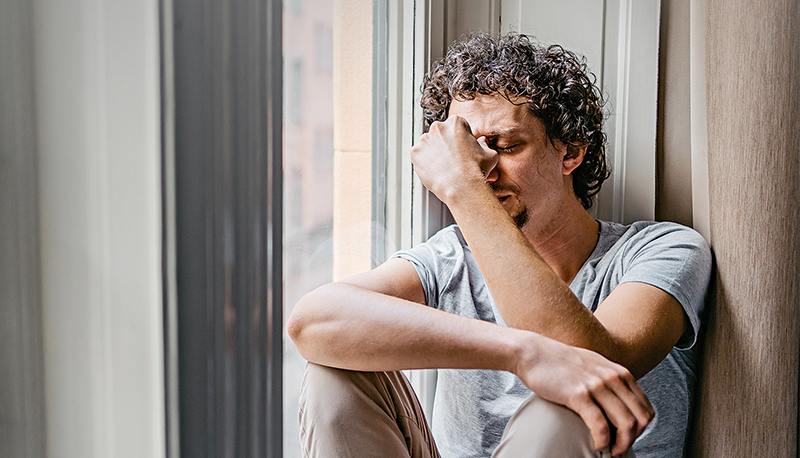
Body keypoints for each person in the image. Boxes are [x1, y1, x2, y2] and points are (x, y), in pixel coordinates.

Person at [288, 33, 712, 458]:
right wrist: (522, 353)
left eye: (506, 146)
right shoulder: (452, 258)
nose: (483, 167)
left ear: (572, 152)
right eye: (467, 152)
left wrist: (462, 188)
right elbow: (310, 322)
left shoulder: (663, 249)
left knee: (562, 407)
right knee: (335, 371)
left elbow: (587, 363)